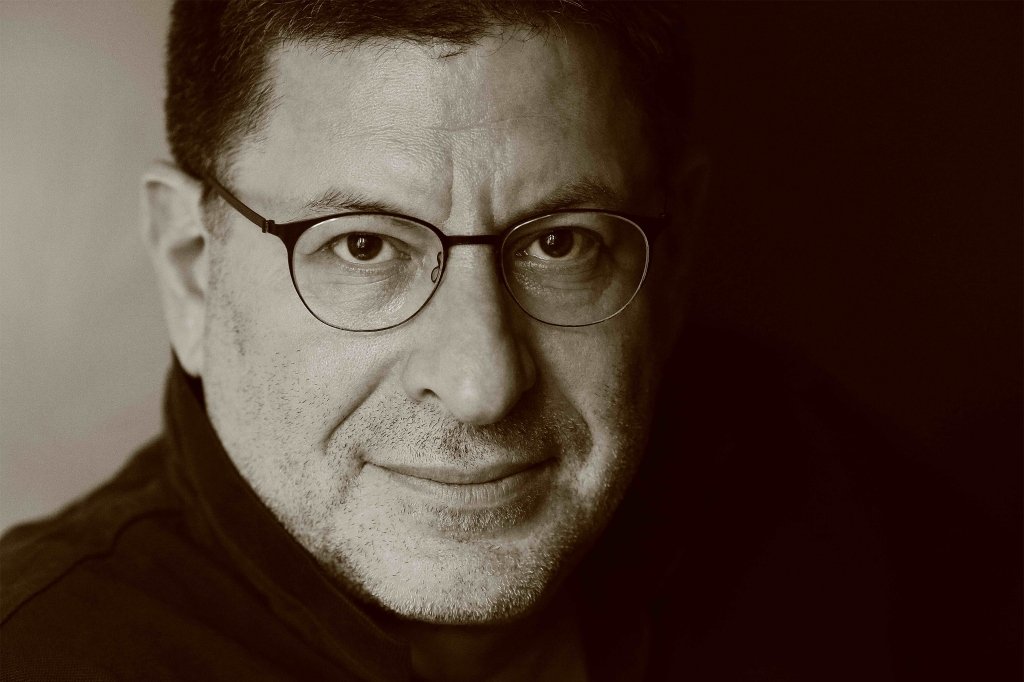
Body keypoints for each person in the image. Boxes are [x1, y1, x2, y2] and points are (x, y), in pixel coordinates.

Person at [1, 2, 1013, 681]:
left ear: (676, 257)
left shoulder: (817, 489)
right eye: (363, 245)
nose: (483, 382)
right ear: (192, 265)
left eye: (560, 242)